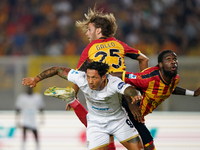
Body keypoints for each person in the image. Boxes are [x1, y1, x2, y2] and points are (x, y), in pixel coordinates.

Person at [66, 5, 149, 149]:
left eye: (89, 30)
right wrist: (142, 85)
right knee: (140, 134)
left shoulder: (90, 48)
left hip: (106, 95)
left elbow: (78, 73)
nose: (87, 33)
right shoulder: (119, 44)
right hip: (124, 94)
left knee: (103, 127)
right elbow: (144, 59)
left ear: (98, 31)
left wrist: (73, 96)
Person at [22, 61, 144, 150]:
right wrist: (35, 79)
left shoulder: (113, 82)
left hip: (118, 121)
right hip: (96, 124)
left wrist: (135, 94)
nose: (90, 81)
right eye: (88, 77)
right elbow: (56, 70)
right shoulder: (80, 78)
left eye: (94, 78)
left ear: (103, 77)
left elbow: (129, 89)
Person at [111, 49, 200, 150]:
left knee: (148, 146)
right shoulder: (147, 79)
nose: (173, 61)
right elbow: (116, 76)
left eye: (175, 59)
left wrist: (193, 93)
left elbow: (170, 89)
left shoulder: (174, 79)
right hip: (125, 111)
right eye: (168, 59)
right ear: (161, 65)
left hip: (138, 117)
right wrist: (131, 104)